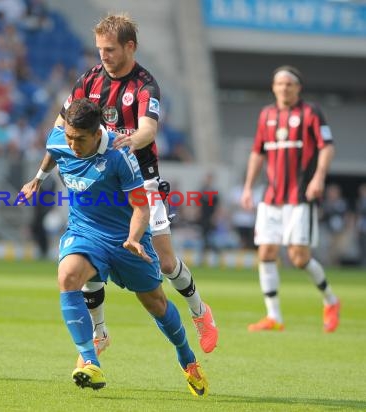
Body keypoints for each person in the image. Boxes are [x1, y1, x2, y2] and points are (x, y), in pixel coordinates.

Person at [20, 13, 218, 361]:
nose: (103, 56)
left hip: (142, 180)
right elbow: (62, 123)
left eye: (110, 49)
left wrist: (120, 141)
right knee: (87, 255)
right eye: (99, 49)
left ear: (130, 46)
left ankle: (200, 312)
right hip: (101, 181)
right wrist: (47, 165)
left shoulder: (145, 85)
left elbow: (148, 131)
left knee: (167, 262)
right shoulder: (89, 79)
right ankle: (98, 333)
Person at [47, 98, 208, 394]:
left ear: (97, 134)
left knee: (156, 305)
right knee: (68, 277)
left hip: (126, 237)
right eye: (69, 137)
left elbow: (141, 209)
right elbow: (52, 151)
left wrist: (134, 238)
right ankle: (89, 360)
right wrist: (37, 178)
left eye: (79, 139)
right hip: (86, 231)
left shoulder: (120, 156)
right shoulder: (60, 140)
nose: (72, 145)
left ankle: (187, 357)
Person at [241, 65, 340, 333]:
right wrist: (248, 187)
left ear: (298, 88)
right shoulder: (267, 115)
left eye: (289, 84)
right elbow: (257, 153)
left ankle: (331, 300)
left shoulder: (311, 113)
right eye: (279, 83)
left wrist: (319, 177)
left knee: (298, 257)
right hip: (272, 196)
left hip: (300, 195)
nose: (284, 87)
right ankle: (274, 316)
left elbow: (327, 147)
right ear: (273, 87)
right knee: (266, 252)